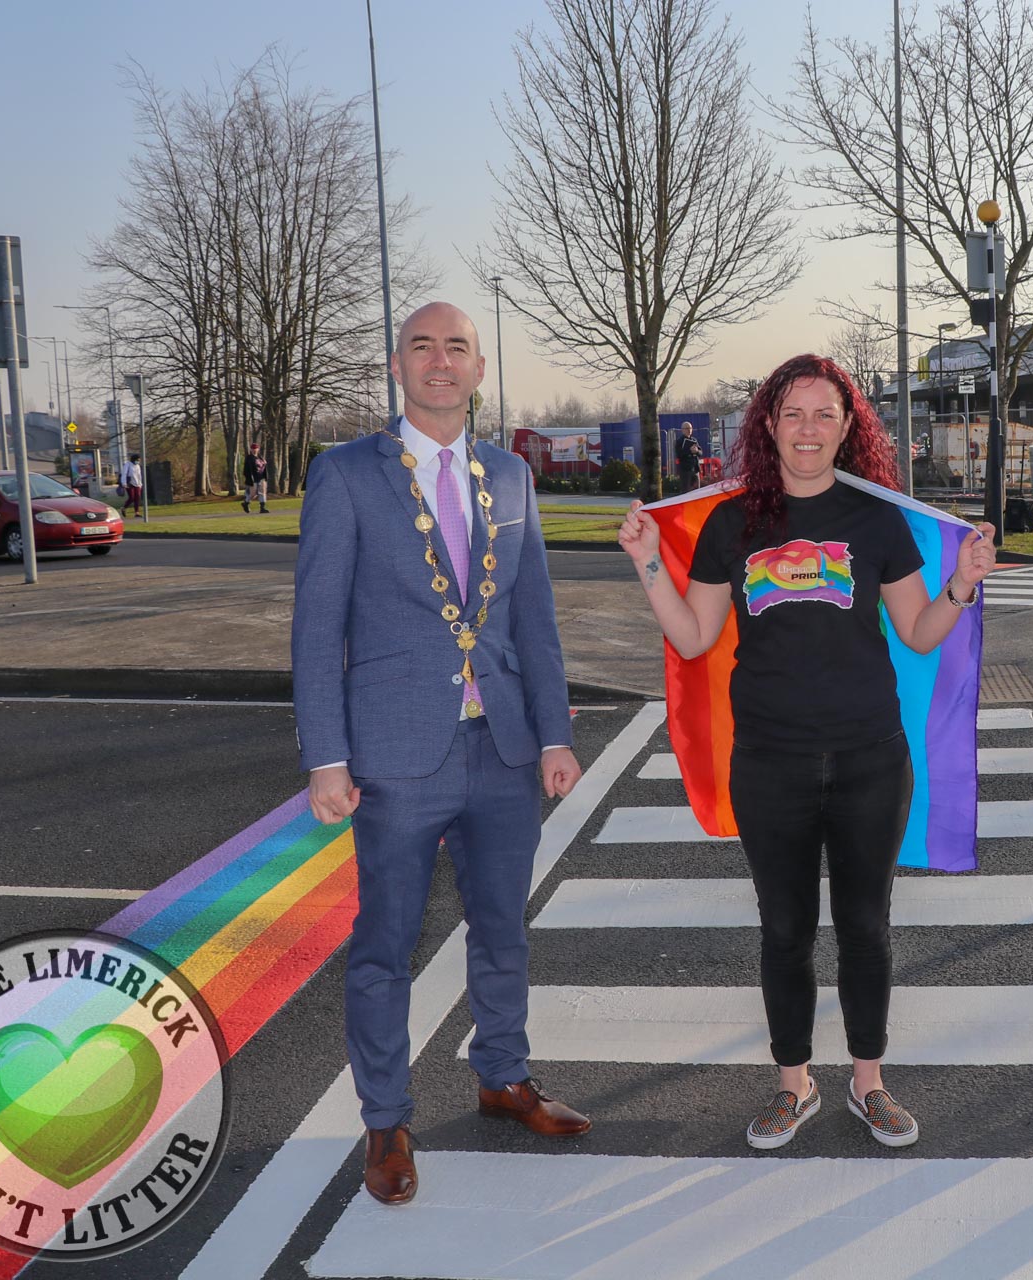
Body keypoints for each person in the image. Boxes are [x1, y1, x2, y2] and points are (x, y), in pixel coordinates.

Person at [617, 353, 995, 1151]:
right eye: (794, 413)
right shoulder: (733, 523)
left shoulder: (876, 519)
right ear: (769, 425)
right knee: (784, 931)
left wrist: (960, 584)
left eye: (826, 414)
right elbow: (692, 637)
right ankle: (795, 1086)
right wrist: (649, 562)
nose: (809, 429)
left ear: (850, 427)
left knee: (865, 925)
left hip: (869, 759)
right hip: (770, 763)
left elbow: (921, 635)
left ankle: (870, 1084)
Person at [292, 301, 589, 1208]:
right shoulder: (344, 475)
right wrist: (326, 757)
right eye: (423, 346)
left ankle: (503, 1077)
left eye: (456, 347)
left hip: (500, 747)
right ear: (397, 364)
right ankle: (386, 1118)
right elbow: (316, 626)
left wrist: (553, 734)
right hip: (392, 754)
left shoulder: (510, 475)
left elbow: (532, 616)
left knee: (502, 930)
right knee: (384, 944)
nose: (440, 362)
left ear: (479, 369)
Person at [674, 420, 703, 493]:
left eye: (690, 428)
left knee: (697, 491)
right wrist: (689, 451)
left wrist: (696, 451)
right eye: (687, 428)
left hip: (695, 469)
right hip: (685, 470)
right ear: (682, 430)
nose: (689, 430)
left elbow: (701, 453)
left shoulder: (694, 440)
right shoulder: (679, 441)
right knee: (686, 491)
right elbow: (679, 454)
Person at [242, 440, 270, 513]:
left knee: (262, 492)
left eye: (256, 448)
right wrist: (248, 478)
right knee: (252, 494)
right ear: (251, 449)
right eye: (253, 448)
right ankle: (246, 503)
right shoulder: (249, 458)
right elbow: (246, 469)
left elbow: (264, 466)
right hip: (253, 478)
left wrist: (265, 477)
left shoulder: (260, 457)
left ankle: (262, 507)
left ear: (258, 449)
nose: (254, 450)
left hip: (261, 478)